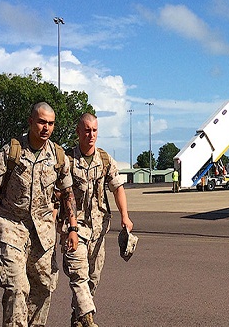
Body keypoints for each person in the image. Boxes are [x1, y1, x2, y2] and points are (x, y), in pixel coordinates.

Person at [0, 102, 79, 327]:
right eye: (41, 122)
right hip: (12, 226)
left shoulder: (58, 156)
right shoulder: (11, 152)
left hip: (44, 231)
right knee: (17, 287)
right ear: (30, 122)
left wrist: (73, 228)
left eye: (51, 123)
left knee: (44, 287)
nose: (46, 127)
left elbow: (67, 193)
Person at [60, 113, 134, 327]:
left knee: (93, 278)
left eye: (94, 130)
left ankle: (78, 318)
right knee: (78, 275)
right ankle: (89, 321)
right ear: (78, 132)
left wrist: (125, 217)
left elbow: (118, 187)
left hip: (98, 229)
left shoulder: (104, 159)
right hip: (74, 228)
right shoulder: (68, 160)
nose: (91, 134)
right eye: (86, 130)